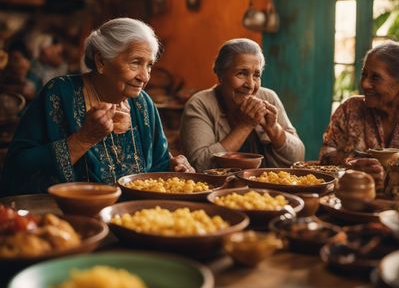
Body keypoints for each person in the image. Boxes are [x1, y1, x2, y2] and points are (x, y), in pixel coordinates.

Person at [0, 18, 193, 196]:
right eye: (135, 63)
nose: (144, 77)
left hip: (135, 217)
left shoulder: (143, 103)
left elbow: (157, 166)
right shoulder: (59, 93)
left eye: (149, 65)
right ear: (101, 61)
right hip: (75, 217)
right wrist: (83, 139)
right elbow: (17, 169)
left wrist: (173, 167)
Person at [179, 38, 305, 172]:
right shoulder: (199, 104)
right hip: (218, 190)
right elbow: (199, 164)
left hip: (265, 189)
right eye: (241, 73)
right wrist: (246, 125)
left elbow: (298, 157)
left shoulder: (268, 97)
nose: (250, 85)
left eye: (256, 75)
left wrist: (274, 129)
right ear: (220, 74)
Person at [319, 41, 399, 187]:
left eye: (375, 77)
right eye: (364, 74)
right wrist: (352, 165)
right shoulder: (350, 109)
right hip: (352, 200)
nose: (364, 84)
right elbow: (326, 155)